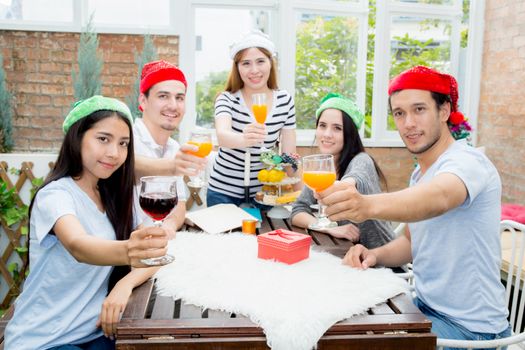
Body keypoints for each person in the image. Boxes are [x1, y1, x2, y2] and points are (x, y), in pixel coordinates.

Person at [319, 66, 511, 344]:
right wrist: (374, 255)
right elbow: (411, 242)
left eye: (419, 109)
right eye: (399, 113)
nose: (408, 123)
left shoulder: (468, 161)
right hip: (424, 308)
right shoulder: (420, 173)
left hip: (471, 331)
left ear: (444, 111)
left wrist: (366, 206)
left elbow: (441, 197)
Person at [5, 96, 169, 349]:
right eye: (103, 139)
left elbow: (155, 255)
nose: (114, 153)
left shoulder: (114, 197)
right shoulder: (57, 195)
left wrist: (125, 284)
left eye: (123, 143)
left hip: (96, 333)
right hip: (44, 340)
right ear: (77, 137)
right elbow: (78, 245)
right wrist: (130, 251)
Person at [207, 30, 297, 207]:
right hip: (223, 193)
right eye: (246, 63)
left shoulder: (284, 100)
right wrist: (244, 138)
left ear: (271, 63)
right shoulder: (227, 98)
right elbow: (222, 137)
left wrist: (300, 194)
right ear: (237, 67)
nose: (254, 70)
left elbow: (288, 156)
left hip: (263, 194)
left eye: (260, 61)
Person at [291, 93, 394, 247]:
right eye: (322, 126)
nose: (327, 134)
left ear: (349, 134)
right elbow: (298, 211)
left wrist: (337, 188)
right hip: (348, 254)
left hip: (382, 259)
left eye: (337, 128)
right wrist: (328, 228)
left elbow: (353, 181)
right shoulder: (322, 166)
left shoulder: (361, 160)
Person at [133, 60, 206, 230]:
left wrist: (169, 227)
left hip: (161, 244)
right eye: (163, 96)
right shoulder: (126, 138)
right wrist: (172, 166)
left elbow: (179, 204)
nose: (173, 105)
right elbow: (124, 165)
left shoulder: (174, 147)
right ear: (143, 101)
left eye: (179, 98)